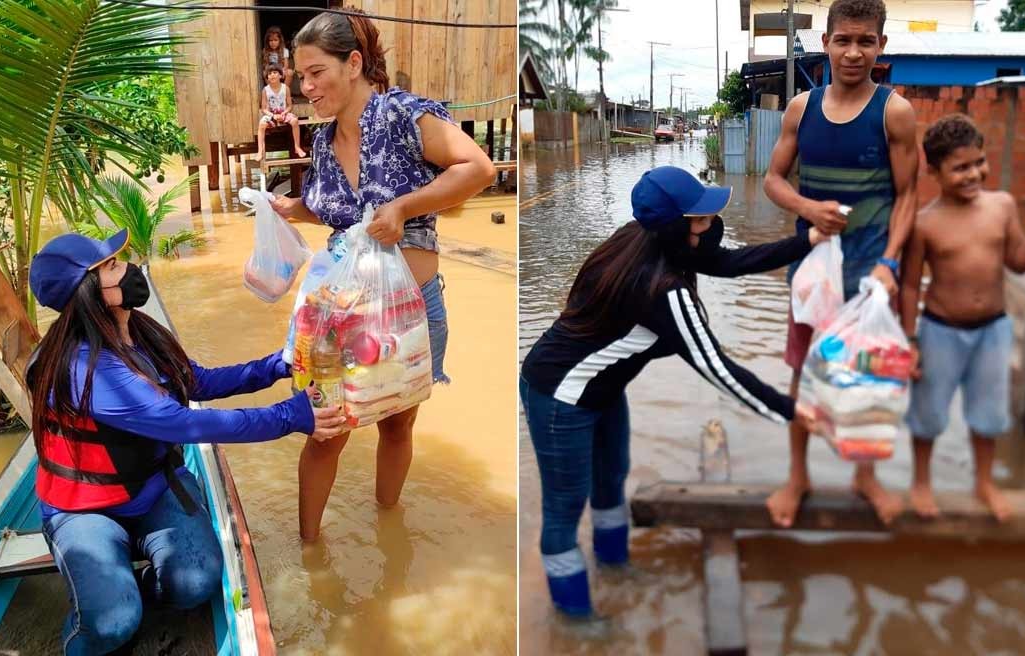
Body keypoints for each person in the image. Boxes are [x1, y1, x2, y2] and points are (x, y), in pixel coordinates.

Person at [520, 166, 823, 617]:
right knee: (564, 510)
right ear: (673, 228)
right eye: (698, 219)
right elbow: (718, 369)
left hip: (600, 390)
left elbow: (731, 263)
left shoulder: (646, 240)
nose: (707, 225)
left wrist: (808, 241)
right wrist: (791, 410)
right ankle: (578, 621)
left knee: (612, 479)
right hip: (559, 398)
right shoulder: (663, 289)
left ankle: (615, 569)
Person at [26, 229, 345, 655]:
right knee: (112, 624)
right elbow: (187, 425)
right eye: (114, 266)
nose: (130, 269)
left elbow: (194, 382)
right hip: (85, 511)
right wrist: (291, 416)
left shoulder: (138, 330)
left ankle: (135, 587)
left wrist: (274, 366)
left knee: (196, 582)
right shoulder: (85, 368)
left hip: (152, 489)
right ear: (87, 293)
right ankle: (94, 618)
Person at [269, 10, 496, 542]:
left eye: (315, 72)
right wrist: (290, 209)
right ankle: (309, 550)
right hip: (340, 311)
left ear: (353, 64)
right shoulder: (323, 143)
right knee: (327, 429)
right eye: (300, 76)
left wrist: (403, 206)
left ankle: (389, 528)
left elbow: (477, 168)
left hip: (411, 306)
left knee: (398, 422)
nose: (306, 87)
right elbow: (333, 211)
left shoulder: (404, 115)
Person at [762, 0, 918, 528]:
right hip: (813, 275)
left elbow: (909, 194)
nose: (854, 52)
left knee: (868, 381)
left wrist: (891, 265)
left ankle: (865, 478)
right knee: (803, 376)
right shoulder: (800, 110)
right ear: (824, 43)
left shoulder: (894, 111)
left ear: (881, 48)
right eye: (844, 40)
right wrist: (808, 209)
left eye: (866, 42)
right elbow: (773, 180)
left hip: (870, 276)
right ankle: (798, 476)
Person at [900, 114, 1025, 521]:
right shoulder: (924, 223)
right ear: (934, 172)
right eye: (960, 167)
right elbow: (911, 287)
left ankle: (985, 483)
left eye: (979, 163)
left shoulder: (1002, 206)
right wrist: (910, 340)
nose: (974, 174)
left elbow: (1019, 264)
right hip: (939, 330)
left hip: (993, 329)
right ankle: (921, 482)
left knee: (989, 414)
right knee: (929, 413)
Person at [256, 64, 306, 161]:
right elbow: (263, 108)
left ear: (280, 75)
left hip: (284, 113)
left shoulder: (285, 88)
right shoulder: (265, 90)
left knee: (295, 121)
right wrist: (273, 115)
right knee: (262, 124)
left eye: (275, 73)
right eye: (270, 74)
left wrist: (284, 113)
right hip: (271, 115)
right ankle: (260, 150)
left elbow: (290, 105)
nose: (272, 75)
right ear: (267, 77)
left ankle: (297, 147)